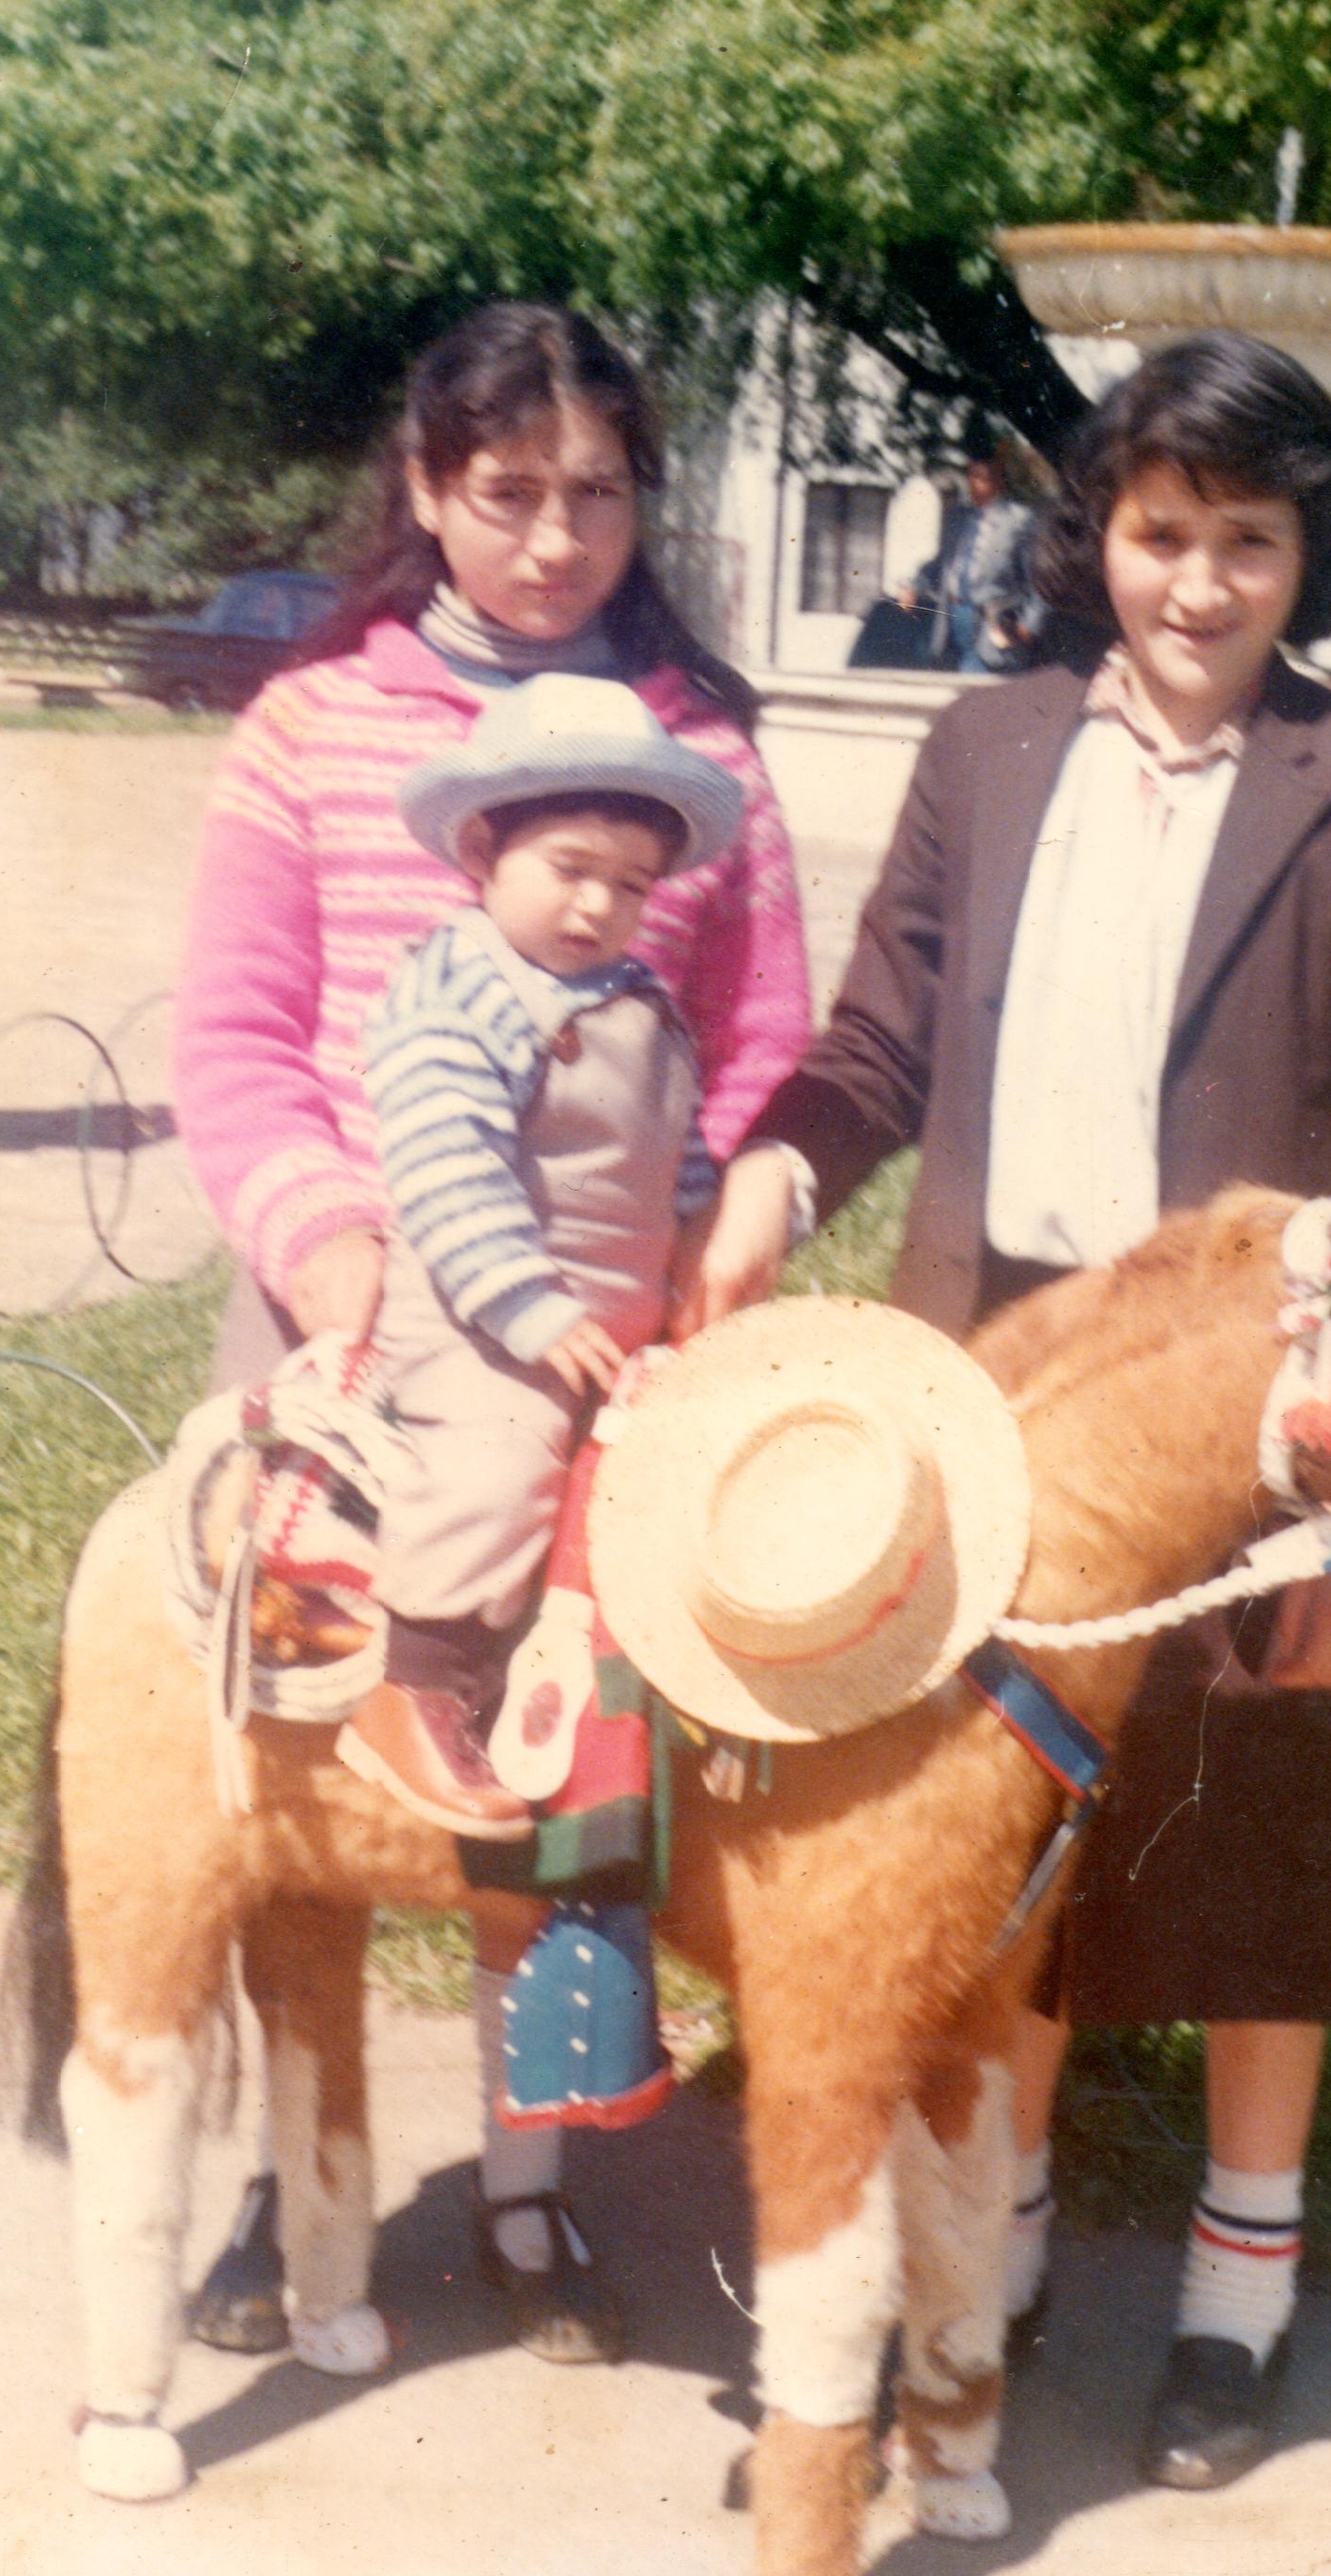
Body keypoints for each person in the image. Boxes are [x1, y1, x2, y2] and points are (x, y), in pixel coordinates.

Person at [681, 330, 1331, 2492]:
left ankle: (1240, 2277)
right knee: (995, 1816)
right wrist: (773, 1169)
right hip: (989, 1368)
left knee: (1265, 1811)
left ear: (1308, 548)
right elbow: (871, 1042)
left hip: (1255, 1398)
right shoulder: (987, 745)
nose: (1201, 586)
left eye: (1248, 540)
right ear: (1093, 534)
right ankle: (1003, 2227)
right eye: (1158, 534)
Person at [172, 302, 812, 2363]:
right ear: (429, 491)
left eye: (600, 494)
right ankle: (296, 2171)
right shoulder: (310, 727)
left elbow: (758, 1043)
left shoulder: (700, 753)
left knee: (565, 1770)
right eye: (508, 494)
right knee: (307, 1773)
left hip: (611, 1341)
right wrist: (332, 1240)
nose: (554, 539)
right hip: (356, 1317)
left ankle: (533, 2190)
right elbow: (237, 1035)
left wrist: (717, 1230)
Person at [339, 676, 742, 1835]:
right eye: (569, 868)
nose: (597, 906)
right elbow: (444, 1163)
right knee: (498, 1462)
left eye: (629, 885)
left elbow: (674, 1149)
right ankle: (417, 1686)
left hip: (616, 1328)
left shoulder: (638, 1001)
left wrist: (706, 1238)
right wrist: (524, 1305)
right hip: (486, 1323)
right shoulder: (460, 986)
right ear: (483, 850)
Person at [901, 432, 1042, 674]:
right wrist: (915, 585)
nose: (973, 483)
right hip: (952, 619)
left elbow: (1038, 581)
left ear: (999, 480)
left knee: (977, 690)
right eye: (971, 476)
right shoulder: (958, 518)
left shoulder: (1019, 521)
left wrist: (1028, 626)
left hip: (992, 625)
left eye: (982, 477)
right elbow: (940, 564)